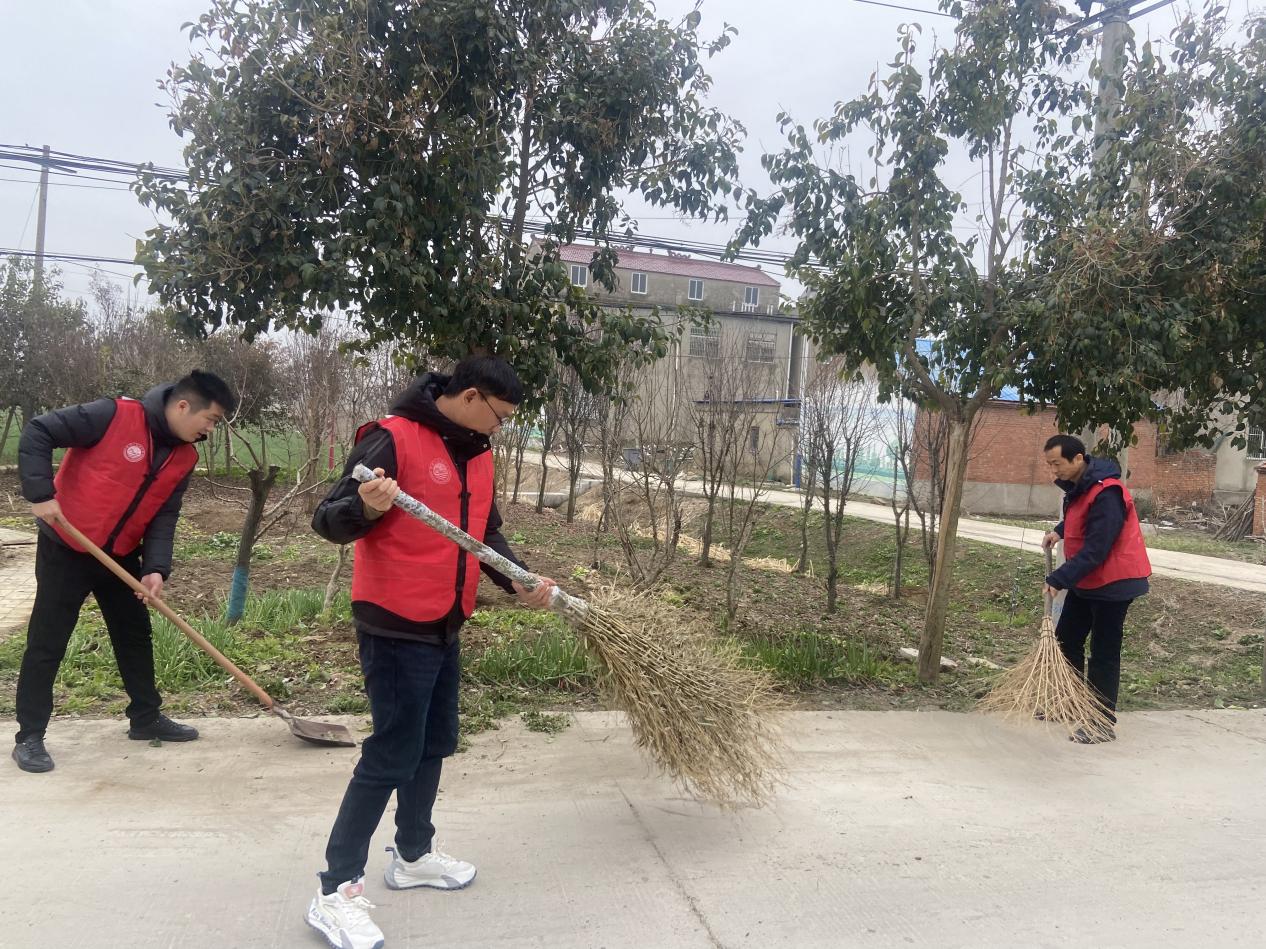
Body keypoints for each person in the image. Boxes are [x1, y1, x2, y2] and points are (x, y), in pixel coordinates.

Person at [305, 356, 556, 949]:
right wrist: (368, 507)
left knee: (434, 742)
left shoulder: (477, 453)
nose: (500, 428)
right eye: (500, 416)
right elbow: (328, 520)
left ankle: (413, 854)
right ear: (470, 397)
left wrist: (517, 578)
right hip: (396, 622)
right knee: (392, 754)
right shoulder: (391, 439)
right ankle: (334, 891)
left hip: (446, 620)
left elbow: (483, 532)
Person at [12, 369, 237, 773]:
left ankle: (145, 718)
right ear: (183, 406)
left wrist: (155, 568)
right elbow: (38, 431)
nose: (210, 429)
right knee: (48, 640)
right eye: (211, 419)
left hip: (120, 556)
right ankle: (29, 735)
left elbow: (165, 515)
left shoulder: (185, 457)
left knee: (134, 635)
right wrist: (40, 493)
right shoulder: (112, 415)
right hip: (67, 546)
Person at [1041, 434, 1151, 744]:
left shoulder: (1107, 491)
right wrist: (1059, 531)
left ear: (1078, 459)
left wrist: (1059, 578)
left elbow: (1098, 547)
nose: (1054, 471)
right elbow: (1081, 517)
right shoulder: (1080, 486)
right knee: (1067, 640)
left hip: (1115, 583)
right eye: (1049, 464)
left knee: (1103, 652)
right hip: (1088, 579)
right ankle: (1071, 702)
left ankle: (1101, 722)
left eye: (1057, 464)